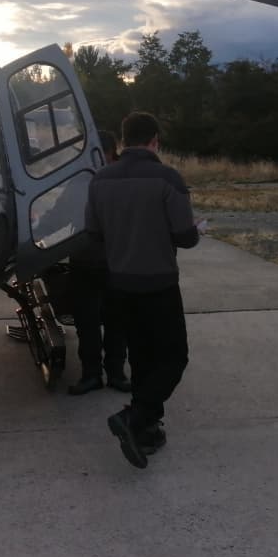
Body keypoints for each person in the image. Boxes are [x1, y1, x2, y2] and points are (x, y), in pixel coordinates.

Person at [85, 111, 202, 469]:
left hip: (120, 283)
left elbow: (93, 233)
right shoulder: (168, 178)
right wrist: (194, 229)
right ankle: (134, 418)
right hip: (159, 284)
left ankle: (147, 430)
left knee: (141, 357)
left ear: (123, 140)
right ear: (155, 141)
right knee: (173, 356)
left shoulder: (100, 180)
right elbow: (185, 236)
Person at [66, 130, 131, 395]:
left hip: (101, 260)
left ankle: (107, 373)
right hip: (100, 261)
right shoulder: (119, 178)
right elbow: (61, 210)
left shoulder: (90, 179)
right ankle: (103, 374)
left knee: (110, 321)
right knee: (91, 322)